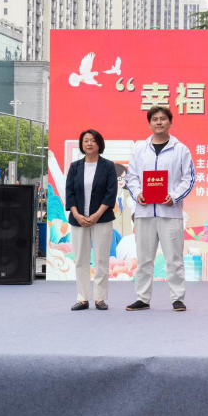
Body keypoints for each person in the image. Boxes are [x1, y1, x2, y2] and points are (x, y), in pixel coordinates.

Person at [125, 106, 194, 312]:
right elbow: (131, 177)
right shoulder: (140, 149)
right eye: (154, 119)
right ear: (149, 123)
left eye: (163, 119)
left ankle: (177, 298)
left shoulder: (180, 149)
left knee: (174, 259)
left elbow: (188, 179)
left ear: (170, 122)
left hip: (170, 213)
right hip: (144, 213)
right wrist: (138, 193)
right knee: (144, 259)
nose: (159, 122)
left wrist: (174, 196)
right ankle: (142, 298)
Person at [65, 129, 117, 311]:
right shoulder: (75, 167)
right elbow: (69, 193)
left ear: (99, 144)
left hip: (102, 219)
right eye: (86, 140)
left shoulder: (108, 166)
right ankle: (83, 298)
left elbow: (110, 194)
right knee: (81, 259)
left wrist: (96, 215)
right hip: (78, 220)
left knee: (101, 260)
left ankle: (100, 298)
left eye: (93, 140)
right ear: (81, 144)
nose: (89, 143)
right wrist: (77, 215)